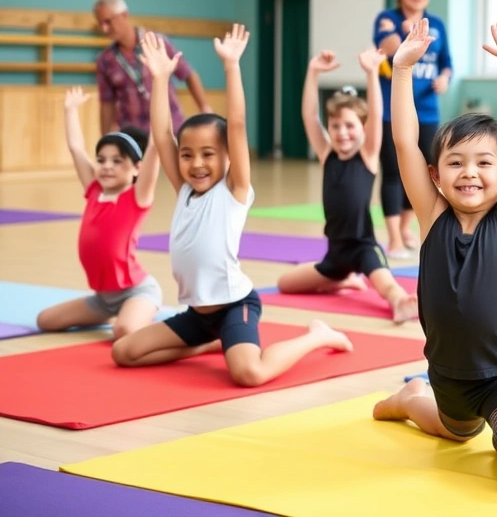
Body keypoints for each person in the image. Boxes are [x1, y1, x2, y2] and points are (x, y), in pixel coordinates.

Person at [371, 20, 497, 500]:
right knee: (451, 432)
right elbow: (403, 143)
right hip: (447, 376)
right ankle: (412, 399)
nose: (469, 173)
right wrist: (403, 70)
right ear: (434, 175)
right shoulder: (433, 216)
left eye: (483, 163)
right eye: (455, 162)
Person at [110, 26, 354, 386]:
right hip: (196, 315)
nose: (196, 164)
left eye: (208, 154)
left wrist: (231, 66)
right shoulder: (184, 192)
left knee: (249, 373)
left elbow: (236, 125)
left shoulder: (234, 191)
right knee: (124, 352)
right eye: (188, 155)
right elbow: (162, 135)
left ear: (227, 157)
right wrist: (160, 78)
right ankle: (209, 345)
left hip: (234, 308)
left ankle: (317, 336)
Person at [275, 47, 418, 324]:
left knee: (387, 286)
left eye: (350, 126)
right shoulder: (327, 156)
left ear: (362, 129)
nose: (342, 133)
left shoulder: (367, 157)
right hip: (335, 253)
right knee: (285, 283)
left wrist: (371, 73)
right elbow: (309, 117)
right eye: (336, 126)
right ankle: (343, 281)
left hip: (364, 248)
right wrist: (313, 71)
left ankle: (400, 303)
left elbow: (376, 116)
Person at [35, 86, 163, 339]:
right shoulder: (94, 191)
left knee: (124, 331)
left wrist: (158, 85)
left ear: (137, 168)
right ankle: (123, 313)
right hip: (103, 299)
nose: (106, 167)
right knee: (45, 321)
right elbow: (75, 147)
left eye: (117, 161)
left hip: (137, 291)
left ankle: (166, 327)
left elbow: (155, 148)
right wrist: (70, 110)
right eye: (101, 160)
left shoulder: (137, 197)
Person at [372, 0, 453, 259]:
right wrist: (406, 36)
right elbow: (388, 49)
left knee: (422, 172)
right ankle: (393, 238)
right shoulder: (387, 20)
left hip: (428, 112)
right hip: (393, 111)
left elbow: (447, 62)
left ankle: (406, 228)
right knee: (393, 171)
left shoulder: (438, 25)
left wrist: (445, 78)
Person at [93, 0, 213, 135]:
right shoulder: (105, 60)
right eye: (101, 24)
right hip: (133, 136)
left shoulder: (157, 43)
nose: (105, 29)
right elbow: (107, 103)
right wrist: (105, 139)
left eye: (108, 22)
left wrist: (205, 108)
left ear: (124, 15)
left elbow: (188, 74)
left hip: (170, 128)